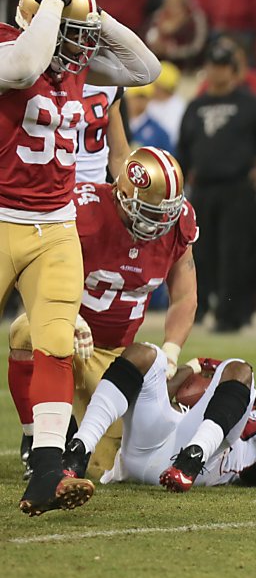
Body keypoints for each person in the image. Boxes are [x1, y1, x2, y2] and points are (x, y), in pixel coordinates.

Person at [0, 0, 160, 515]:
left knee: (54, 344)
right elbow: (22, 65)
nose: (81, 48)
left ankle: (47, 471)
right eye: (74, 34)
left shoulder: (76, 67)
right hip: (0, 220)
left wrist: (91, 12)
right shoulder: (9, 47)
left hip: (56, 225)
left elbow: (145, 67)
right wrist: (49, 8)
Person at [9, 146, 198, 479]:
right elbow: (32, 269)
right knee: (24, 332)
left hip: (115, 361)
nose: (158, 223)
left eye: (165, 213)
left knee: (99, 470)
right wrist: (65, 314)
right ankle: (36, 442)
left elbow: (184, 296)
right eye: (150, 211)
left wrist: (171, 350)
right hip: (68, 335)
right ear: (122, 194)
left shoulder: (177, 224)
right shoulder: (83, 210)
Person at [63, 354, 256, 490]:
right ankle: (78, 451)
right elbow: (159, 396)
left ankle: (194, 456)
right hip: (151, 451)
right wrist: (194, 365)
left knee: (240, 367)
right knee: (147, 354)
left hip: (198, 463)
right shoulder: (216, 406)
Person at [179, 41, 256, 333]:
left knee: (235, 253)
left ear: (233, 70)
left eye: (222, 65)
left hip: (238, 186)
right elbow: (184, 149)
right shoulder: (195, 107)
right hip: (204, 188)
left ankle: (232, 313)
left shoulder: (251, 104)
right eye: (212, 64)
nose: (216, 71)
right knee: (201, 252)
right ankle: (198, 307)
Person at [76, 84, 131, 183]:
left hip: (95, 188)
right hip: (50, 189)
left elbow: (119, 154)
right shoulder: (43, 76)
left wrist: (132, 191)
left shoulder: (109, 79)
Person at [125, 85, 175, 154]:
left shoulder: (159, 132)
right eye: (136, 97)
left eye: (142, 98)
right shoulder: (118, 123)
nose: (138, 101)